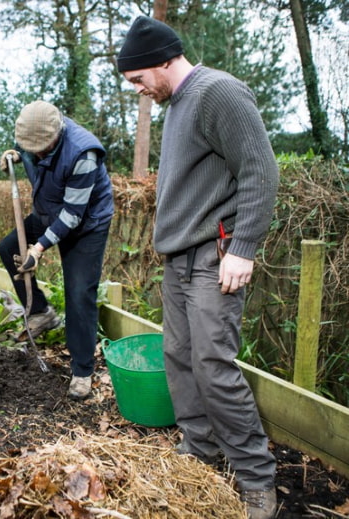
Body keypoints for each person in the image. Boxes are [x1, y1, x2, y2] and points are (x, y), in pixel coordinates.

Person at [117, 16, 279, 519]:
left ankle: (256, 480)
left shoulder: (218, 93)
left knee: (213, 366)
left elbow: (260, 170)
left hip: (216, 258)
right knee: (180, 359)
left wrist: (244, 247)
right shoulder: (178, 104)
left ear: (164, 60)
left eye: (139, 79)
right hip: (180, 261)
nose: (140, 91)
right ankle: (200, 448)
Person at [0, 100, 114, 400]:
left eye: (40, 149)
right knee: (9, 247)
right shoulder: (34, 130)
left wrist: (39, 248)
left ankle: (83, 370)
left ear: (56, 135)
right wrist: (13, 155)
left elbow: (73, 215)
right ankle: (40, 312)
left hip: (86, 223)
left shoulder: (83, 154)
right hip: (49, 211)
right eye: (29, 146)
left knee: (79, 292)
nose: (34, 153)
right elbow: (23, 147)